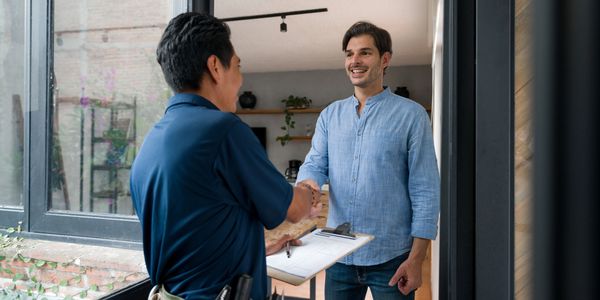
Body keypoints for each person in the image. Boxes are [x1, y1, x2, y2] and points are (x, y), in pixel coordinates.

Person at [130, 12, 320, 300]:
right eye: (238, 67)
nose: (241, 80)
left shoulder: (152, 141)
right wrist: (308, 190)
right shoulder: (223, 131)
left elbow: (194, 234)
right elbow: (293, 209)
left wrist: (260, 248)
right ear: (215, 67)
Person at [296, 21, 440, 300]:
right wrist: (308, 185)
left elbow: (426, 190)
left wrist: (417, 259)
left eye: (365, 53)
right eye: (349, 54)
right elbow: (315, 163)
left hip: (392, 258)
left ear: (385, 59)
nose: (355, 61)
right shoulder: (330, 116)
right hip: (339, 255)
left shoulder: (411, 116)